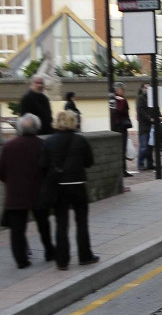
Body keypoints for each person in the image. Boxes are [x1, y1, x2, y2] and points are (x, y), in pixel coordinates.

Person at [40, 110, 99, 270]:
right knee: (81, 221)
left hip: (59, 186)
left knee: (61, 223)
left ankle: (62, 260)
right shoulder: (81, 140)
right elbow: (89, 162)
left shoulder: (49, 141)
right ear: (73, 122)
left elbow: (43, 165)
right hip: (78, 184)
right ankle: (85, 256)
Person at [0, 114, 55, 268]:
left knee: (17, 229)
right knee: (44, 224)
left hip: (15, 193)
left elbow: (2, 172)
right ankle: (49, 251)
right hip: (38, 192)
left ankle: (21, 261)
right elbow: (48, 169)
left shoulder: (8, 147)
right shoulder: (43, 145)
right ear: (37, 128)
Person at [136, 83, 161, 171]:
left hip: (152, 126)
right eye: (146, 88)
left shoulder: (152, 98)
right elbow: (141, 111)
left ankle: (150, 163)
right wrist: (150, 118)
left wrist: (159, 116)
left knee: (150, 146)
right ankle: (140, 164)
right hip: (144, 126)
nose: (147, 89)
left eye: (149, 88)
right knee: (144, 146)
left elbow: (156, 108)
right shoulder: (140, 98)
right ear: (142, 88)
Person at [110, 82, 133, 177]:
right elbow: (120, 110)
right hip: (120, 126)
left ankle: (123, 169)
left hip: (119, 125)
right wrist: (122, 101)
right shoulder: (119, 100)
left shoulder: (114, 99)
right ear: (118, 90)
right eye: (122, 89)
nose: (123, 91)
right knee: (122, 148)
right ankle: (122, 170)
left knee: (122, 148)